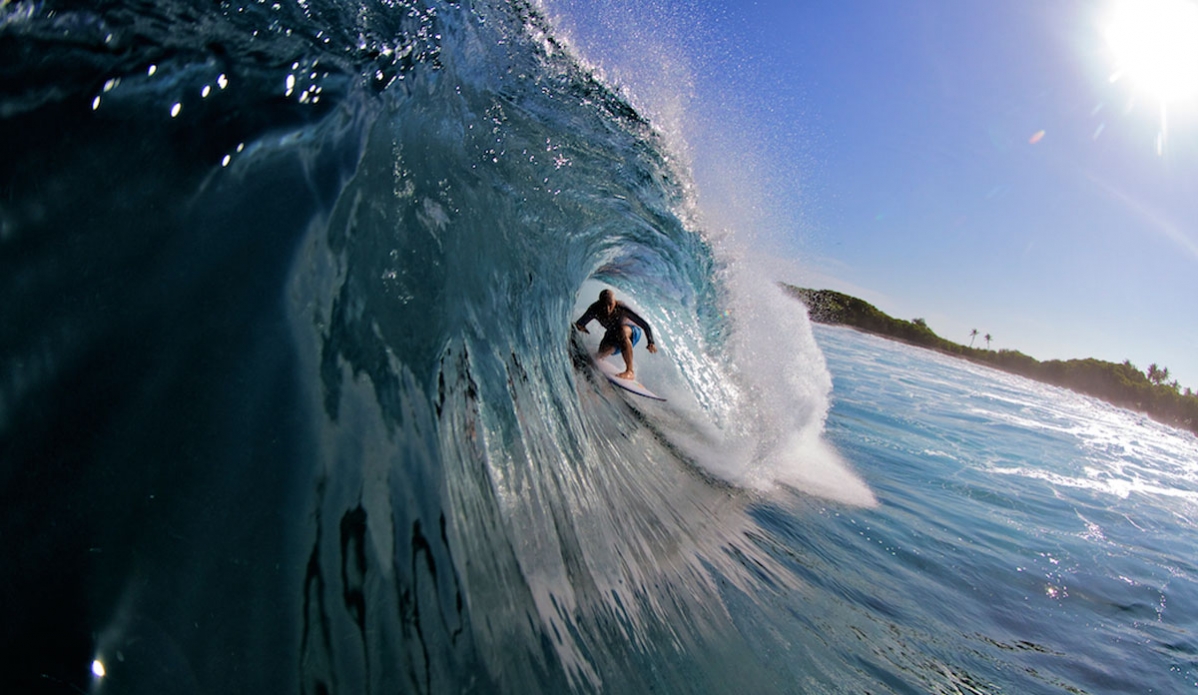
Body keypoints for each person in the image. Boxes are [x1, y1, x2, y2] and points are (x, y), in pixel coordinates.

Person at [574, 289, 658, 380]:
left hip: (632, 332)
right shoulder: (595, 309)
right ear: (599, 302)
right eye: (604, 305)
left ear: (615, 302)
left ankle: (630, 371)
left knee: (621, 331)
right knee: (600, 354)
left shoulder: (621, 309)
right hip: (613, 333)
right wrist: (581, 332)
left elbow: (644, 325)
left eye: (610, 304)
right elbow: (580, 324)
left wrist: (651, 342)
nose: (607, 309)